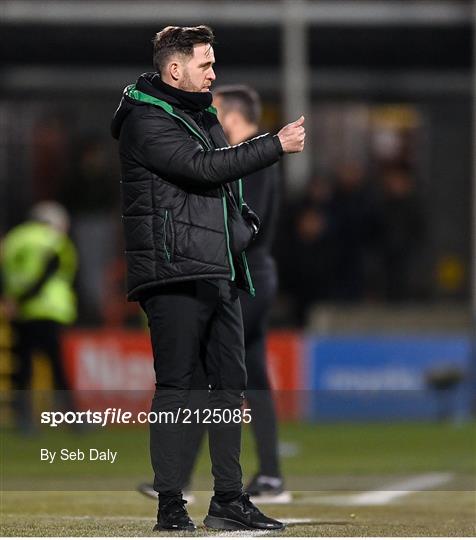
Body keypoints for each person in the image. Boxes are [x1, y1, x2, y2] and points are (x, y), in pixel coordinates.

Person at [111, 25, 305, 532]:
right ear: (174, 69)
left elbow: (222, 184)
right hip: (172, 272)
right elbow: (200, 169)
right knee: (177, 387)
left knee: (229, 388)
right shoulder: (144, 120)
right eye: (205, 64)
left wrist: (244, 228)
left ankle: (228, 499)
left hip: (216, 270)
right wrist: (273, 145)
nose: (214, 73)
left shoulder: (201, 115)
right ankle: (170, 506)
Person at [137, 85, 290, 503]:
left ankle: (179, 478)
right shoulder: (256, 159)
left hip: (246, 277)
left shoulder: (253, 160)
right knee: (251, 376)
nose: (212, 120)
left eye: (217, 112)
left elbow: (242, 223)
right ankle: (271, 475)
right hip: (255, 274)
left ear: (235, 118)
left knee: (211, 374)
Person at [0, 201, 77, 432]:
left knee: (22, 366)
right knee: (57, 368)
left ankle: (23, 419)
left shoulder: (14, 238)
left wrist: (11, 300)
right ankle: (71, 419)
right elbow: (50, 271)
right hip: (48, 310)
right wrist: (27, 297)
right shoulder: (53, 239)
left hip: (19, 311)